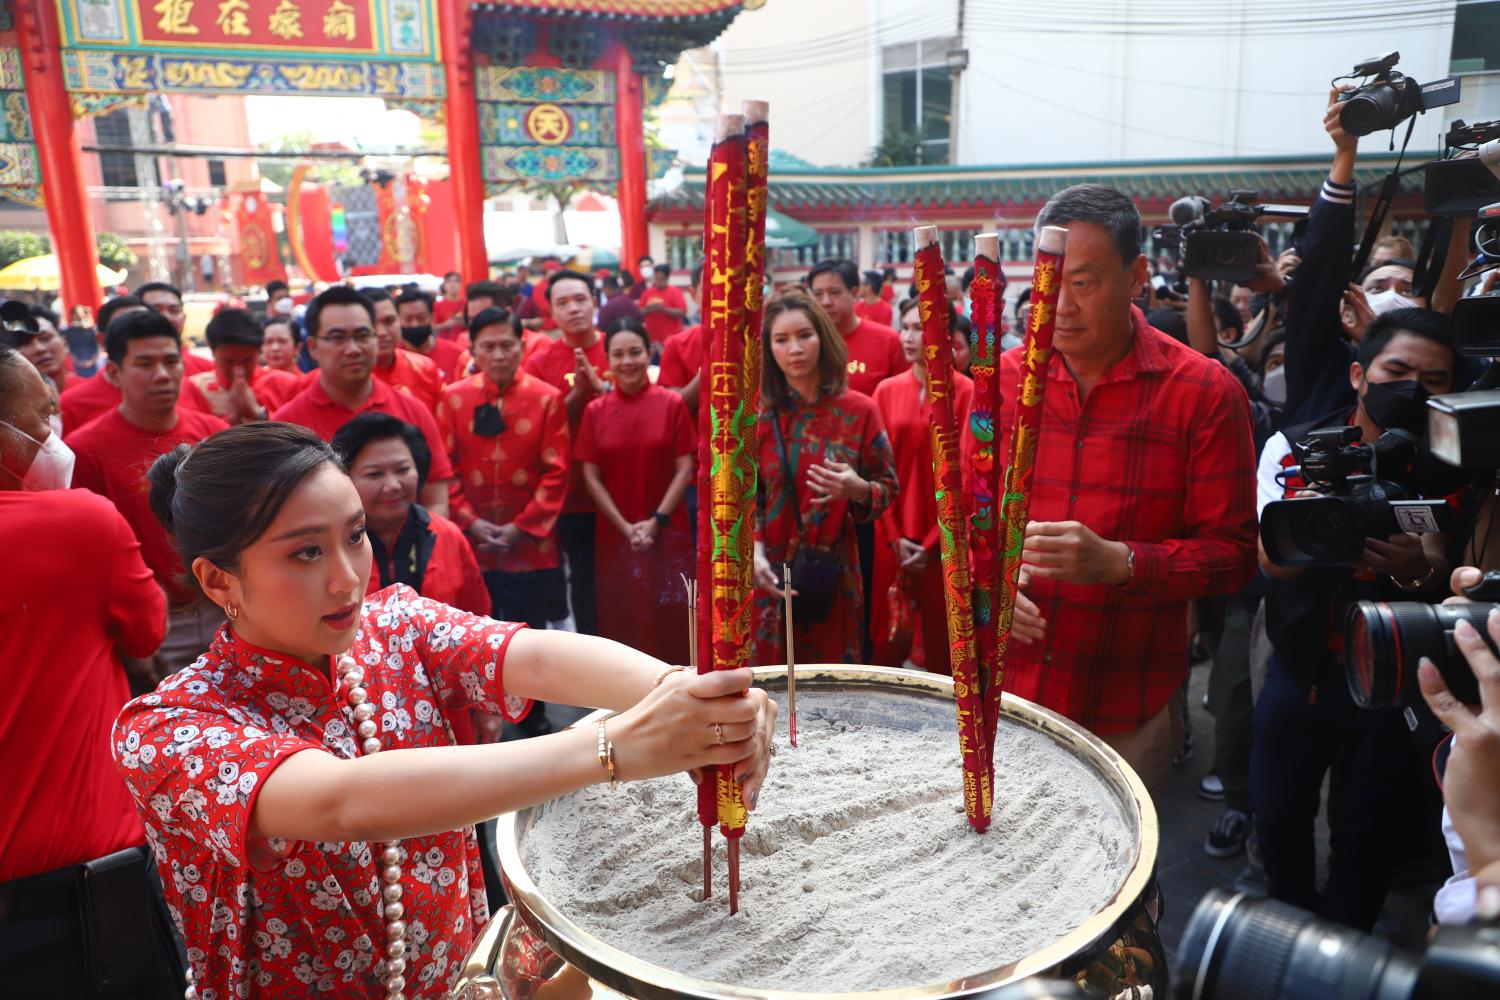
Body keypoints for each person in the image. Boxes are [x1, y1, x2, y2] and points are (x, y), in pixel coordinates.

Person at [111, 422, 776, 997]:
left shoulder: (395, 624)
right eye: (306, 552)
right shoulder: (169, 729)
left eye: (356, 536)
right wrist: (616, 748)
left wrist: (687, 691)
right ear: (218, 579)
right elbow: (340, 803)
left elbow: (535, 657)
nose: (347, 575)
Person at [994, 184, 1258, 799]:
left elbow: (1235, 554)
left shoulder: (1202, 393)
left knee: (1119, 887)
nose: (1058, 306)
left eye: (1082, 284)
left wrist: (1122, 562)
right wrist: (994, 579)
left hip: (1127, 704)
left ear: (1137, 275)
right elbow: (965, 521)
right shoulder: (1000, 385)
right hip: (1008, 696)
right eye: (1046, 282)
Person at [1252, 308, 1457, 930]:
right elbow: (1271, 563)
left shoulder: (1450, 464)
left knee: (1368, 834)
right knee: (1278, 814)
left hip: (1395, 683)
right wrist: (1319, 525)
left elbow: (1438, 570)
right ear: (1359, 374)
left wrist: (1408, 568)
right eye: (1397, 370)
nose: (1412, 388)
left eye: (1435, 379)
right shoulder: (1293, 448)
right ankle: (1286, 926)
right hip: (1302, 668)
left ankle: (1343, 950)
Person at [0, 344, 186, 998]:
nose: (55, 438)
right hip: (77, 906)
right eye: (42, 418)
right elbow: (148, 630)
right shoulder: (79, 523)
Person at [67, 310, 230, 679]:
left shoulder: (216, 434)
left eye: (171, 361)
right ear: (113, 373)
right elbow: (88, 552)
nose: (162, 374)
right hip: (156, 619)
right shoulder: (85, 450)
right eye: (144, 363)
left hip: (224, 601)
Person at [441, 308, 570, 740]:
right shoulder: (453, 397)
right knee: (477, 632)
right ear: (473, 349)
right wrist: (470, 523)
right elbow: (447, 469)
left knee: (530, 636)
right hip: (473, 544)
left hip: (530, 546)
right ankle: (482, 719)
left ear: (522, 346)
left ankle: (534, 720)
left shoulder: (547, 398)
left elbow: (558, 471)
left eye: (507, 345)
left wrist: (522, 526)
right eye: (488, 346)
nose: (498, 354)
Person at [752, 290, 897, 666]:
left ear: (823, 338)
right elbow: (745, 499)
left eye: (804, 335)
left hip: (832, 572)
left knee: (832, 686)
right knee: (770, 688)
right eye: (781, 340)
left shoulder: (859, 411)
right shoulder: (759, 418)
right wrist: (752, 554)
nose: (795, 349)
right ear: (769, 350)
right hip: (767, 572)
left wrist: (858, 488)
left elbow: (888, 488)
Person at [271, 286, 455, 517]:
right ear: (313, 347)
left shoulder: (412, 410)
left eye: (362, 336)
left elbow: (436, 501)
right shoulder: (286, 426)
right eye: (338, 338)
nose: (353, 349)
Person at [577, 318, 696, 663]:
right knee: (623, 619)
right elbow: (591, 476)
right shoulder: (595, 411)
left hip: (668, 530)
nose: (627, 361)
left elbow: (685, 468)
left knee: (672, 616)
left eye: (635, 352)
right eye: (618, 354)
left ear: (649, 354)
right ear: (608, 360)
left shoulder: (671, 404)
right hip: (617, 536)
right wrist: (626, 527)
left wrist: (656, 521)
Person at [870, 298, 972, 673]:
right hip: (890, 529)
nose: (909, 337)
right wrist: (895, 536)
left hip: (945, 533)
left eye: (920, 328)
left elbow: (970, 475)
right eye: (905, 327)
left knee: (944, 634)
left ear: (947, 339)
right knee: (889, 632)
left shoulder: (966, 392)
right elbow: (875, 470)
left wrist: (932, 542)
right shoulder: (885, 391)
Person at [523, 269, 610, 635]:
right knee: (586, 583)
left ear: (594, 301)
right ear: (552, 314)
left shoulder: (619, 344)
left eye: (580, 299)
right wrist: (577, 397)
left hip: (624, 491)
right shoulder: (541, 361)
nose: (573, 308)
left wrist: (603, 392)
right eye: (563, 303)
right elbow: (537, 426)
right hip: (572, 496)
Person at [332, 413, 488, 616]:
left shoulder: (448, 535)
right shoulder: (332, 543)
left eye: (402, 469)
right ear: (345, 478)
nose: (393, 485)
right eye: (374, 474)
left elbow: (478, 617)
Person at [806, 259, 908, 398]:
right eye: (818, 294)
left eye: (834, 292)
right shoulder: (804, 343)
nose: (826, 302)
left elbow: (905, 397)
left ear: (854, 293)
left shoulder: (889, 340)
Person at [180, 308, 301, 424]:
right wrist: (231, 418)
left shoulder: (284, 384)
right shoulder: (194, 388)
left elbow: (301, 434)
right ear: (212, 349)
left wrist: (258, 413)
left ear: (259, 352)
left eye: (247, 361)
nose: (238, 371)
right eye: (228, 361)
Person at [59, 294, 150, 433]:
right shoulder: (71, 405)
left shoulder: (182, 389)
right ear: (102, 339)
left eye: (148, 327)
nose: (140, 337)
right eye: (125, 329)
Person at [367, 287, 446, 414]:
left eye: (389, 321)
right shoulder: (341, 379)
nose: (381, 332)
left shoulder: (425, 369)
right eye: (372, 323)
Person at [134, 282, 212, 375]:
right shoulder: (121, 373)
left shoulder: (207, 371)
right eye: (155, 310)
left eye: (174, 310)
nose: (167, 317)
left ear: (184, 318)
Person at [396, 289, 468, 384]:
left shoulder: (458, 355)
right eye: (407, 319)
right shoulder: (390, 359)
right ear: (398, 319)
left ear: (432, 317)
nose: (415, 324)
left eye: (421, 318)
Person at [638, 263, 687, 351]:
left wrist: (663, 309)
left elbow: (682, 312)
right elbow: (639, 312)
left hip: (671, 340)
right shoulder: (647, 292)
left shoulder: (675, 292)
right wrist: (648, 309)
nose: (658, 281)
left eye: (661, 279)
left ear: (667, 278)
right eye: (656, 278)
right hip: (652, 340)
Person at [434, 271, 467, 340]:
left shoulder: (467, 303)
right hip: (445, 343)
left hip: (464, 343)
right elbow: (432, 327)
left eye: (455, 281)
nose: (452, 284)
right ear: (444, 285)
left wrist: (463, 322)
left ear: (460, 284)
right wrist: (446, 325)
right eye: (449, 281)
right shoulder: (437, 305)